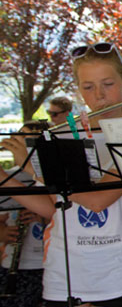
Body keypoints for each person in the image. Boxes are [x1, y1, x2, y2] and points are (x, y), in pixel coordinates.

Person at [3, 42, 122, 306]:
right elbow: (53, 208)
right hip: (63, 275)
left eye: (108, 84)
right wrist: (3, 175)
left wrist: (33, 168)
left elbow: (96, 202)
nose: (99, 96)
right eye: (88, 87)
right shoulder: (61, 135)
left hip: (118, 273)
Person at [0, 121, 49, 306]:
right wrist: (3, 233)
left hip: (43, 264)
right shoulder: (12, 176)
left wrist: (40, 215)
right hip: (12, 264)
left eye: (25, 139)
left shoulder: (50, 177)